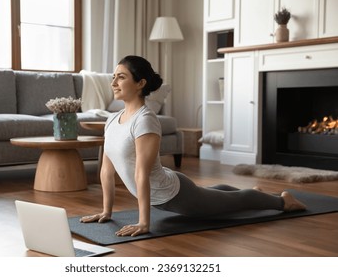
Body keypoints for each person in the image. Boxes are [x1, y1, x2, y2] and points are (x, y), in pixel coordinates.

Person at [80, 55, 306, 237]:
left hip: (175, 195)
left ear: (140, 83)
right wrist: (106, 211)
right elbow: (107, 170)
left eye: (121, 77)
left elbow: (141, 173)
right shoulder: (111, 119)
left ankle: (283, 200)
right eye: (113, 77)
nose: (113, 83)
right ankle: (253, 193)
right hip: (168, 188)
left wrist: (143, 223)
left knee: (232, 203)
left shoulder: (145, 119)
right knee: (215, 196)